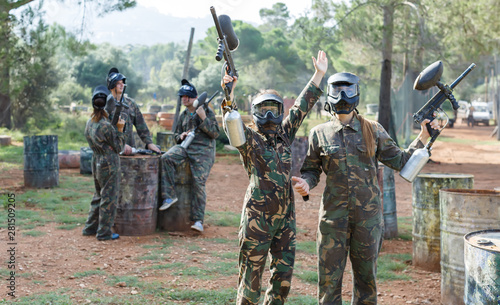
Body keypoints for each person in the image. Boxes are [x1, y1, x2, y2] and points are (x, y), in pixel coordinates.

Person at [292, 72, 440, 305]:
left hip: (367, 221)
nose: (343, 95)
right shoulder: (318, 133)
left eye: (348, 90)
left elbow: (401, 161)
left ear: (357, 93)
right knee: (329, 283)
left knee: (366, 282)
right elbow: (311, 170)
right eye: (338, 90)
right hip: (332, 220)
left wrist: (423, 136)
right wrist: (306, 184)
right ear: (329, 94)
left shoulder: (373, 129)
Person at [222, 50, 328, 304]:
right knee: (250, 283)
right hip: (257, 221)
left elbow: (303, 106)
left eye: (274, 109)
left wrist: (319, 73)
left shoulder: (284, 135)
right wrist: (228, 91)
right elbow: (231, 118)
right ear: (254, 111)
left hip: (285, 224)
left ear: (281, 111)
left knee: (282, 282)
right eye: (263, 109)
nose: (269, 115)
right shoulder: (248, 139)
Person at [158, 79, 220, 233]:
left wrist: (203, 117)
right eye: (182, 97)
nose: (184, 99)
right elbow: (176, 135)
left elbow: (215, 133)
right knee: (166, 158)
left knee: (198, 183)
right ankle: (169, 196)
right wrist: (181, 136)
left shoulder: (206, 111)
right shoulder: (184, 114)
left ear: (194, 97)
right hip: (186, 148)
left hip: (203, 152)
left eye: (187, 96)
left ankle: (198, 220)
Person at [82, 85, 126, 241]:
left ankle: (90, 228)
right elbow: (119, 147)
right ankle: (104, 232)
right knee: (109, 197)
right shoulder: (106, 125)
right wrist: (120, 129)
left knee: (98, 195)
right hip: (109, 163)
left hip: (96, 160)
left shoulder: (90, 122)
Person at [104, 67, 161, 154]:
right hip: (112, 151)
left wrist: (149, 143)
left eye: (122, 83)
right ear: (111, 86)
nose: (122, 85)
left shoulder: (131, 104)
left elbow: (141, 125)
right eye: (118, 83)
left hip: (130, 150)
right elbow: (103, 130)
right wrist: (119, 145)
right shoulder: (106, 105)